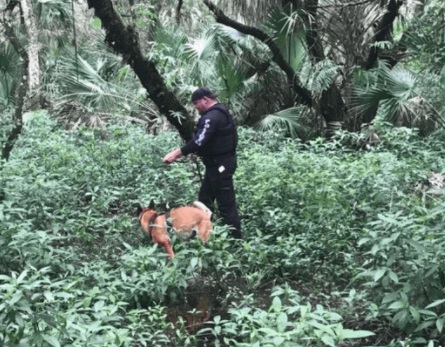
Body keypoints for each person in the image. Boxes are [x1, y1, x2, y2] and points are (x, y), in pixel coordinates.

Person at [163, 87, 242, 239]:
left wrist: (176, 154)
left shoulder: (211, 117)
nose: (196, 107)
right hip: (216, 165)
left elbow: (198, 141)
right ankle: (202, 235)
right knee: (204, 201)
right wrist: (200, 153)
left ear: (206, 99)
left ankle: (236, 242)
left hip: (221, 167)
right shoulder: (220, 112)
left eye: (196, 103)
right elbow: (210, 141)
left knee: (226, 206)